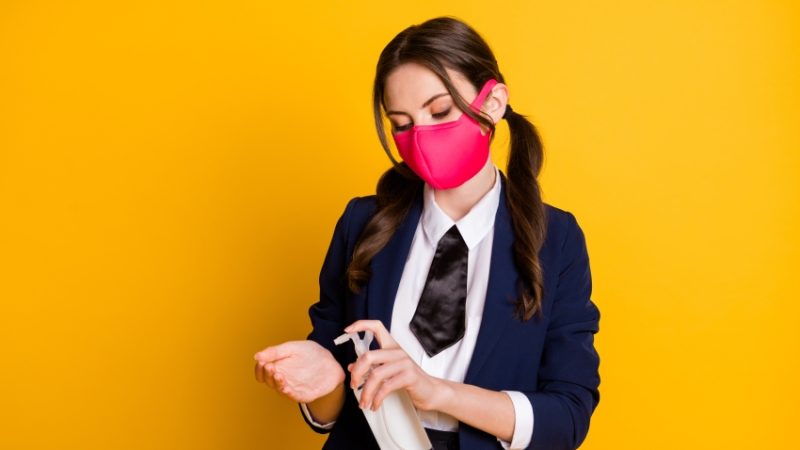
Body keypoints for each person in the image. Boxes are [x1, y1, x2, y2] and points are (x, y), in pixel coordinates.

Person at [254, 16, 600, 450]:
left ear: (492, 103)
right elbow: (330, 411)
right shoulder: (362, 224)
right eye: (401, 123)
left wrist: (436, 391)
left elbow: (567, 417)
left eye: (440, 111)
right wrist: (322, 380)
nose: (420, 137)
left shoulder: (557, 239)